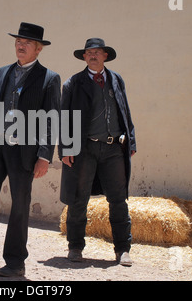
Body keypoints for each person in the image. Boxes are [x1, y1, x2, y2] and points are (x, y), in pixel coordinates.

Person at [0, 22, 61, 277]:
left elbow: (52, 119)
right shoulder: (1, 72)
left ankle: (15, 262)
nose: (20, 46)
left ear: (38, 49)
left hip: (24, 151)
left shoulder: (49, 78)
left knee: (20, 205)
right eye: (18, 42)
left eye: (27, 43)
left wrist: (44, 155)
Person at [58, 38, 136, 266]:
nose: (92, 55)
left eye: (97, 52)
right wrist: (65, 148)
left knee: (119, 200)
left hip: (113, 148)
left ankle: (123, 250)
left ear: (105, 56)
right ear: (84, 57)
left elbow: (125, 112)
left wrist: (131, 142)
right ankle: (75, 247)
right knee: (78, 200)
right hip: (84, 148)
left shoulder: (116, 80)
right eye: (89, 52)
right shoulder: (73, 83)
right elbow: (64, 118)